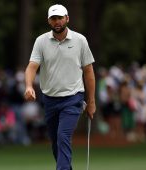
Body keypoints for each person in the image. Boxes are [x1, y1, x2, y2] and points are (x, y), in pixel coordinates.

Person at [24, 4, 96, 170]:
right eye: (53, 18)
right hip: (49, 99)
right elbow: (32, 66)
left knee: (63, 136)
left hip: (73, 98)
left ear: (67, 19)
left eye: (60, 18)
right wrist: (29, 86)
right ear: (49, 21)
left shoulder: (80, 40)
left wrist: (91, 101)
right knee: (56, 142)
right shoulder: (41, 41)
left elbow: (89, 72)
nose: (57, 21)